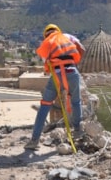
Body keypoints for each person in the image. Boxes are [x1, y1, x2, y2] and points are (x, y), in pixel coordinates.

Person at [24, 23, 85, 151]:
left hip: (56, 75)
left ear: (46, 35)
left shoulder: (46, 43)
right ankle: (78, 130)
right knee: (76, 101)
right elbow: (81, 49)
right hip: (72, 71)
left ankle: (34, 140)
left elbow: (47, 64)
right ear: (58, 31)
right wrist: (74, 63)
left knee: (44, 106)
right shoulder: (67, 37)